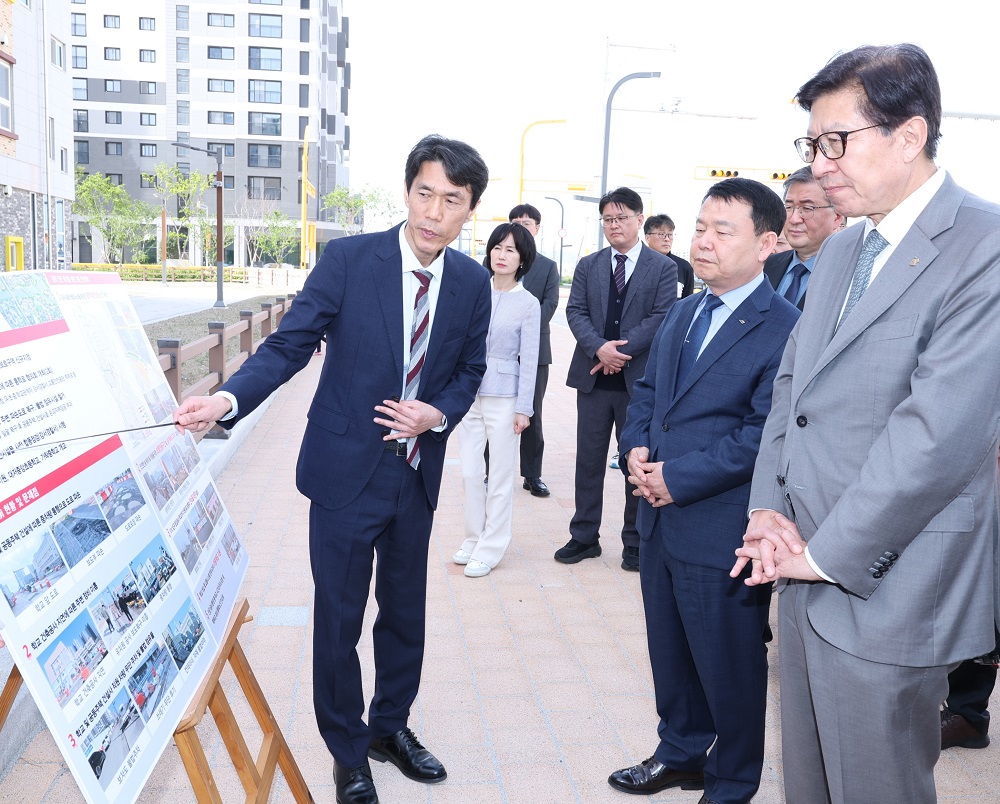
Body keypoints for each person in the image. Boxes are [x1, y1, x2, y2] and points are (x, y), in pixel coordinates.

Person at [174, 135, 492, 804]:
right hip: (345, 473)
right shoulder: (350, 260)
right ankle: (348, 752)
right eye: (424, 193)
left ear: (470, 212)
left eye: (452, 201)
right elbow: (290, 345)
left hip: (415, 474)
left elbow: (470, 371)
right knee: (340, 619)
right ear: (407, 192)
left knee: (405, 613)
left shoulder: (469, 283)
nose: (434, 211)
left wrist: (436, 414)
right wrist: (228, 398)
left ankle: (390, 728)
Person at [733, 44, 1000, 803]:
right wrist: (767, 510)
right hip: (800, 565)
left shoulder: (985, 245)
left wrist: (822, 554)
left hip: (889, 579)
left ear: (908, 137)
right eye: (812, 145)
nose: (820, 166)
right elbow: (793, 391)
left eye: (834, 142)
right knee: (811, 785)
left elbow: (939, 438)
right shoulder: (845, 245)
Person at [608, 178, 798, 802]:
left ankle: (733, 778)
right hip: (659, 518)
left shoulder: (785, 327)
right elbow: (647, 394)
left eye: (723, 231)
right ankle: (682, 750)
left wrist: (676, 477)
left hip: (723, 525)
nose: (704, 242)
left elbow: (763, 433)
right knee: (670, 649)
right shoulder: (685, 311)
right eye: (700, 228)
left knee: (729, 662)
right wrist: (636, 448)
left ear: (768, 243)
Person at [560, 187, 675, 571]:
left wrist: (619, 350)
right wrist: (599, 349)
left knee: (636, 462)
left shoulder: (663, 267)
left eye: (622, 217)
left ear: (640, 219)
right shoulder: (589, 264)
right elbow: (575, 312)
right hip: (593, 379)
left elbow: (661, 316)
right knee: (588, 461)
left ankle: (635, 541)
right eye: (608, 219)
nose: (614, 225)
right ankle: (583, 536)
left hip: (637, 383)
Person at [453, 223, 540, 577]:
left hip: (505, 396)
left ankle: (491, 547)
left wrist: (524, 407)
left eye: (510, 250)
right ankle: (473, 538)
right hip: (467, 394)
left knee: (501, 476)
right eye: (497, 248)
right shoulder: (474, 291)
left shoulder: (529, 303)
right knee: (472, 473)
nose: (501, 256)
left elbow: (530, 358)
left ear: (522, 260)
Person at [508, 204, 560, 498]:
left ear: (537, 228)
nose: (521, 227)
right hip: (498, 353)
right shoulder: (498, 261)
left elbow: (549, 307)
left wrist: (516, 326)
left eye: (527, 223)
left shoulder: (547, 266)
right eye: (516, 222)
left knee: (532, 414)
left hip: (536, 353)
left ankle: (532, 474)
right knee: (496, 412)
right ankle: (493, 471)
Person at [763, 166, 843, 310]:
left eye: (807, 208)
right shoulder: (765, 266)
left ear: (837, 216)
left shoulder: (848, 274)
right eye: (788, 207)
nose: (794, 219)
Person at [643, 214, 695, 298]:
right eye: (661, 234)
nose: (667, 239)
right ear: (647, 238)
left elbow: (687, 301)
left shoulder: (684, 267)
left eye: (670, 234)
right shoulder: (638, 264)